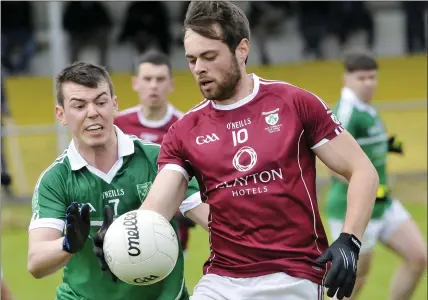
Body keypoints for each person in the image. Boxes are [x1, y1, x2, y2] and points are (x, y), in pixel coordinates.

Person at [96, 1, 379, 299]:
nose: (199, 69)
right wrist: (122, 237)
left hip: (294, 276)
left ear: (242, 49)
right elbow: (156, 208)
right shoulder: (184, 131)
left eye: (209, 56)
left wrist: (350, 240)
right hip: (222, 280)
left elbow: (362, 170)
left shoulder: (295, 103)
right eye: (192, 60)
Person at [27, 61, 209, 300]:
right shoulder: (56, 179)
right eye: (79, 105)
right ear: (61, 114)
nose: (93, 112)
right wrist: (69, 243)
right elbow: (36, 262)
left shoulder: (158, 160)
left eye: (101, 102)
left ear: (114, 105)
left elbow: (213, 219)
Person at [325, 50, 427, 300]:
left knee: (418, 257)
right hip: (355, 207)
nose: (369, 83)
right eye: (362, 78)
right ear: (346, 80)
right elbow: (334, 166)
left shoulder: (366, 109)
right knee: (355, 279)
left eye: (372, 77)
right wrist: (375, 190)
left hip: (383, 203)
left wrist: (387, 145)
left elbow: (363, 145)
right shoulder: (346, 112)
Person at [114, 49, 197, 256]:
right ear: (135, 83)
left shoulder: (186, 126)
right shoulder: (117, 126)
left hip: (174, 234)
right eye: (147, 78)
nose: (153, 85)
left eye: (160, 79)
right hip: (124, 231)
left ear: (171, 84)